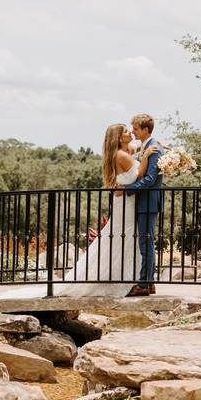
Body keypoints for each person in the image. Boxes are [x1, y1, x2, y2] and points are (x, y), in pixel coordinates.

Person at [53, 123, 158, 296]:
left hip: (127, 201)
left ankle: (138, 279)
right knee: (123, 238)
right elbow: (139, 174)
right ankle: (126, 279)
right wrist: (146, 157)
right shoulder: (121, 155)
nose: (130, 132)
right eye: (125, 131)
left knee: (128, 238)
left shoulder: (126, 151)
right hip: (126, 203)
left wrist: (154, 145)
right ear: (118, 138)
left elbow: (137, 145)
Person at [120, 113, 163, 297]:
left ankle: (144, 284)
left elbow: (150, 180)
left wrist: (127, 189)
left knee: (146, 243)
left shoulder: (154, 149)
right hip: (145, 201)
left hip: (148, 201)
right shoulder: (147, 147)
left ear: (146, 130)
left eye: (136, 129)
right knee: (146, 241)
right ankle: (149, 283)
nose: (133, 132)